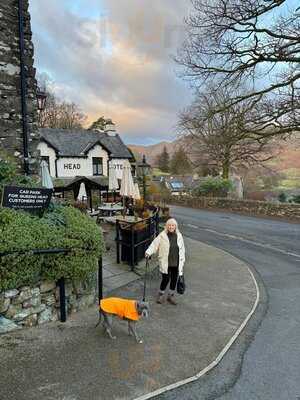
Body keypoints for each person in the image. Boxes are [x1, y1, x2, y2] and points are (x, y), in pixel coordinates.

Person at [145, 218, 185, 305]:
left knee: (174, 279)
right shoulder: (162, 235)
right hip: (165, 262)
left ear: (175, 226)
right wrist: (148, 252)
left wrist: (183, 260)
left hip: (176, 262)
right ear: (166, 226)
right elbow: (154, 245)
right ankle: (161, 294)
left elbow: (182, 249)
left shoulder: (179, 236)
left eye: (173, 225)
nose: (171, 227)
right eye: (169, 225)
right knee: (166, 279)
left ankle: (170, 296)